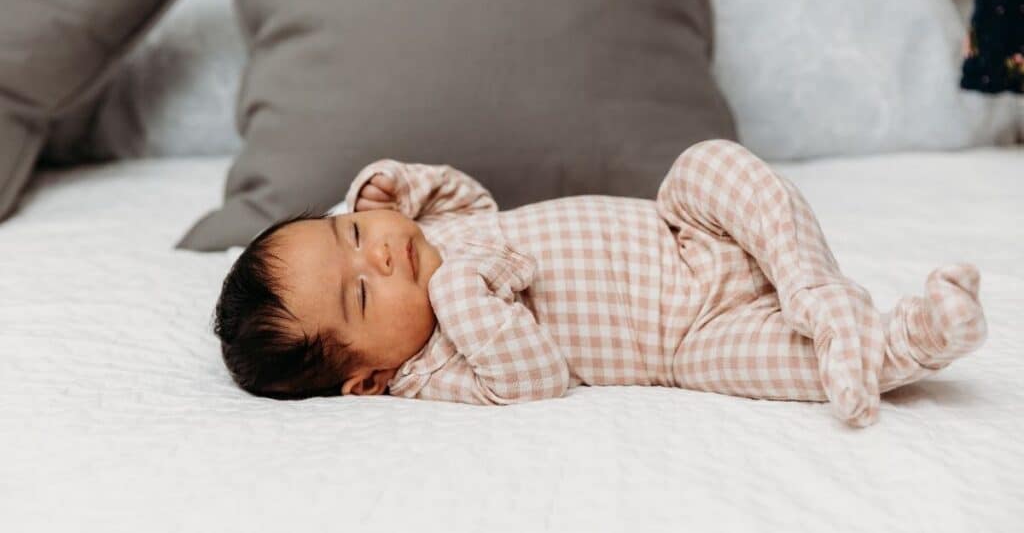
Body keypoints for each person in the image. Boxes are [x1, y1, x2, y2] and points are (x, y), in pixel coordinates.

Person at [213, 140, 987, 427]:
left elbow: (471, 201)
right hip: (687, 340)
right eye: (358, 295)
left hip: (685, 228)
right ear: (366, 380)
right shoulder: (430, 370)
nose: (378, 256)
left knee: (708, 163)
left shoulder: (435, 239)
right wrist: (460, 295)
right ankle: (902, 341)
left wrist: (398, 188)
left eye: (353, 232)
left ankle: (811, 286)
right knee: (771, 367)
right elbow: (535, 379)